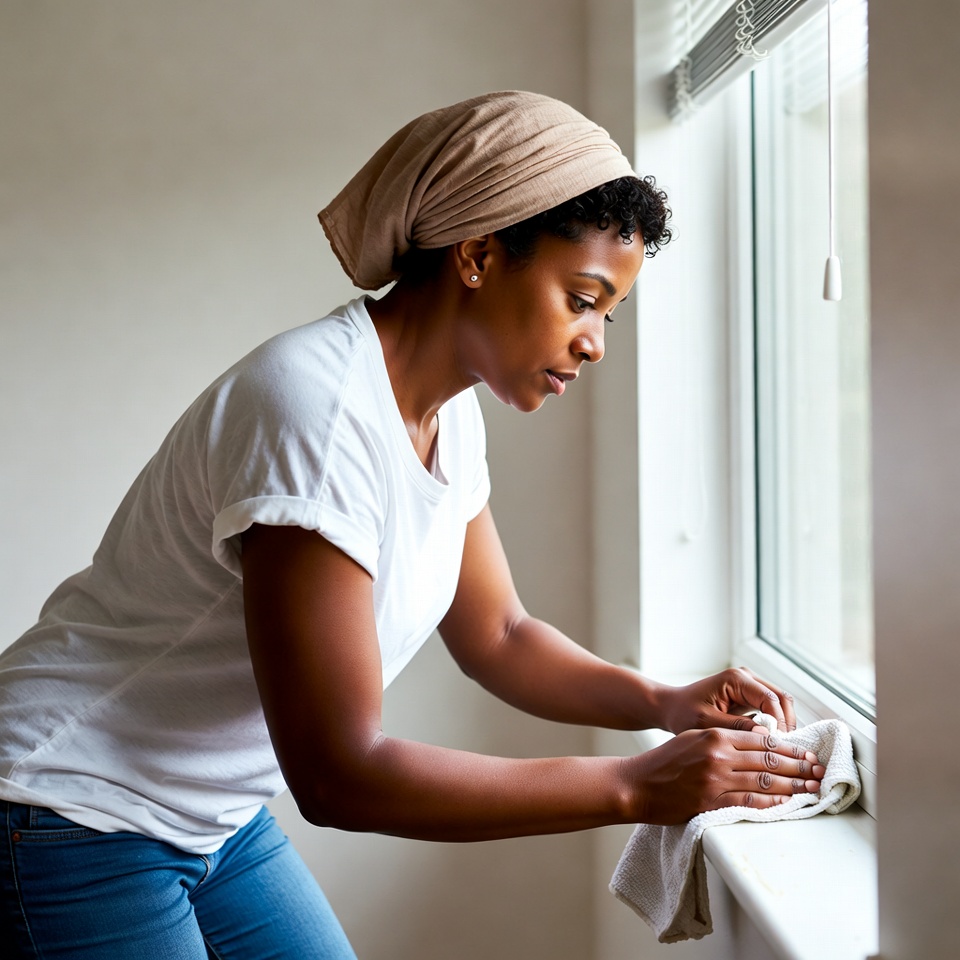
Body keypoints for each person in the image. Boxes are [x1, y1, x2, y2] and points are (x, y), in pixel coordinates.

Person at [0, 91, 822, 959]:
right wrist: (633, 788)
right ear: (477, 255)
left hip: (211, 818)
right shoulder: (315, 414)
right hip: (68, 808)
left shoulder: (445, 416)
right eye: (581, 298)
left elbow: (500, 635)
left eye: (607, 313)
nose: (596, 343)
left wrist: (661, 702)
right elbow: (341, 774)